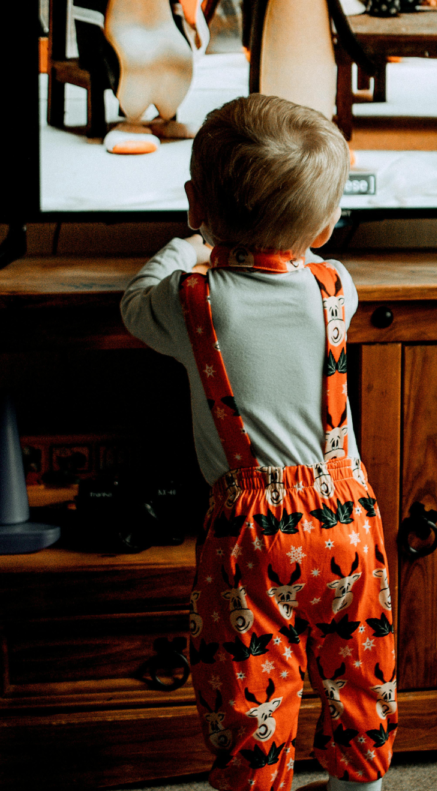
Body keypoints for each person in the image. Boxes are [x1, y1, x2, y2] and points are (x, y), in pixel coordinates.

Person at [120, 94, 398, 791]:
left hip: (250, 536)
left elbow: (133, 301)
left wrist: (188, 246)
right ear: (327, 225)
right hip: (349, 523)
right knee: (358, 661)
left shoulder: (190, 301)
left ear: (195, 204)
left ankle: (258, 781)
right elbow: (301, 268)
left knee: (250, 677)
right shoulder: (338, 288)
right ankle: (359, 778)